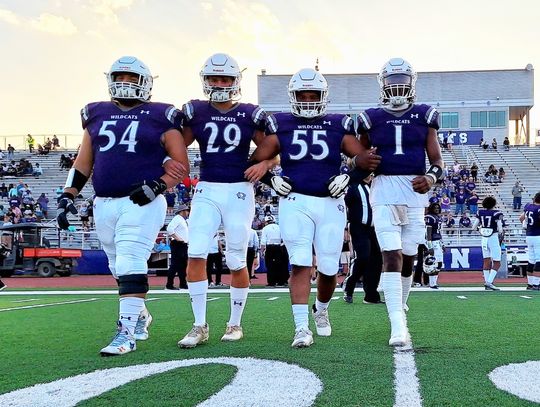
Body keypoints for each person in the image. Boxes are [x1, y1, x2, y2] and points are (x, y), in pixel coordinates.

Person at [56, 55, 189, 357]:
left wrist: (158, 186)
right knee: (118, 265)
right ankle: (140, 314)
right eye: (120, 77)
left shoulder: (162, 114)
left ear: (146, 83)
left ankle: (125, 332)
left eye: (132, 78)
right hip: (104, 202)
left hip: (142, 200)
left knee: (130, 260)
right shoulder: (96, 113)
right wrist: (68, 195)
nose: (125, 83)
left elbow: (181, 163)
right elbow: (83, 163)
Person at [249, 67, 380, 348]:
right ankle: (300, 328)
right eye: (302, 94)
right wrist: (272, 180)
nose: (308, 100)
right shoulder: (281, 124)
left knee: (330, 268)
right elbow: (254, 160)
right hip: (295, 200)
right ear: (293, 96)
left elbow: (366, 159)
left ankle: (321, 309)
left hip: (330, 202)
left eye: (313, 94)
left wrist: (349, 176)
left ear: (323, 96)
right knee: (299, 263)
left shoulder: (337, 124)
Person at [177, 53, 272, 348]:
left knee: (235, 257)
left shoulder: (249, 113)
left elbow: (274, 147)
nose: (219, 84)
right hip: (207, 187)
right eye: (214, 79)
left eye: (225, 79)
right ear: (205, 80)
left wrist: (265, 165)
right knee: (196, 250)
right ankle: (199, 324)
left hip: (239, 190)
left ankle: (234, 323)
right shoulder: (196, 111)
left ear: (235, 81)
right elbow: (175, 143)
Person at [356, 57, 443, 346]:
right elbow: (357, 155)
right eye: (391, 82)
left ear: (411, 83)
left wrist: (430, 178)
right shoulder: (370, 117)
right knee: (390, 255)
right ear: (383, 84)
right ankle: (397, 324)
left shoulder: (425, 115)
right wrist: (360, 160)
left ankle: (401, 304)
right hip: (384, 189)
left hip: (415, 191)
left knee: (408, 257)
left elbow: (437, 160)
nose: (396, 87)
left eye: (401, 81)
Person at [343, 169, 383, 304]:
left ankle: (371, 295)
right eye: (368, 172)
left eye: (371, 173)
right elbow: (344, 205)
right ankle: (349, 286)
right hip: (358, 227)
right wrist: (344, 227)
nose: (370, 175)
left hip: (373, 229)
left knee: (376, 261)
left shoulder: (374, 188)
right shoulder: (353, 187)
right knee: (363, 257)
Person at [472, 196, 504, 291]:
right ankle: (489, 282)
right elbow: (500, 229)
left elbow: (473, 227)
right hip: (493, 237)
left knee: (486, 261)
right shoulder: (497, 213)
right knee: (497, 262)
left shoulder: (480, 212)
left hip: (484, 239)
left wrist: (482, 230)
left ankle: (487, 282)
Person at [165, 204, 190, 290]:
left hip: (182, 244)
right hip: (177, 244)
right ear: (182, 211)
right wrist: (178, 238)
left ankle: (183, 283)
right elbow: (169, 229)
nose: (188, 212)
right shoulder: (177, 219)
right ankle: (169, 284)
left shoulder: (182, 220)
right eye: (186, 211)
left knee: (182, 265)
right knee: (175, 264)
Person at [520, 192, 540, 290]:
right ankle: (536, 284)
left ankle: (530, 284)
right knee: (539, 260)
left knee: (531, 260)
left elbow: (521, 218)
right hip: (538, 236)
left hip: (529, 236)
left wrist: (527, 226)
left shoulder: (528, 206)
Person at [260, 215, 283, 287]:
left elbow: (263, 241)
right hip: (278, 247)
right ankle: (280, 281)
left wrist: (262, 251)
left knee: (269, 265)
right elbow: (283, 238)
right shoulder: (279, 227)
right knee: (279, 264)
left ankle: (271, 282)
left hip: (270, 247)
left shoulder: (265, 228)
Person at [424, 203, 444, 289]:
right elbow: (428, 232)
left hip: (438, 241)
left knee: (439, 263)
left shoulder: (438, 217)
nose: (437, 209)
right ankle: (432, 283)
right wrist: (429, 246)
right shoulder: (430, 217)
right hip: (433, 242)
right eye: (435, 208)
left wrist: (442, 244)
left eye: (438, 208)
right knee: (433, 263)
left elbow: (439, 232)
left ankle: (434, 282)